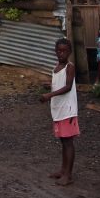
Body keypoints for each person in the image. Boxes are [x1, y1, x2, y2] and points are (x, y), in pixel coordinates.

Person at [40, 37, 78, 186]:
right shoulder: (57, 67)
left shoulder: (70, 66)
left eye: (64, 51)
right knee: (63, 141)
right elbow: (60, 83)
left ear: (69, 52)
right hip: (58, 109)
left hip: (67, 110)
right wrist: (50, 85)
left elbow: (68, 86)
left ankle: (68, 175)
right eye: (59, 51)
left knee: (68, 142)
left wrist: (49, 95)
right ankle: (63, 170)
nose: (61, 53)